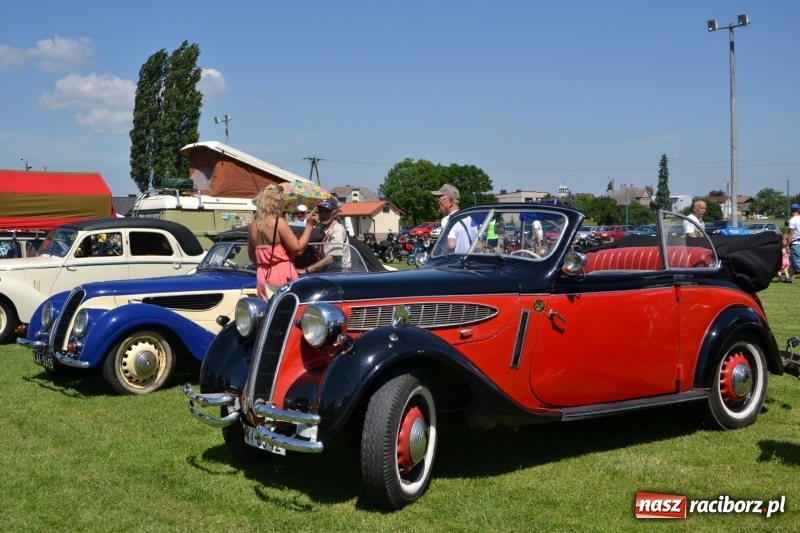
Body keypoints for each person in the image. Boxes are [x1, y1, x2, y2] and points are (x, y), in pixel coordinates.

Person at [248, 184, 319, 299]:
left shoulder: (252, 226)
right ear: (276, 202)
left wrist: (266, 256)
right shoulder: (278, 222)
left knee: (268, 312)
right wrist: (309, 225)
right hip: (281, 274)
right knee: (286, 311)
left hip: (262, 275)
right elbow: (298, 249)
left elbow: (252, 257)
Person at [296, 198, 351, 274]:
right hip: (327, 272)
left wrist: (307, 270)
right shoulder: (324, 228)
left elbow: (331, 258)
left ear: (335, 214)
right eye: (321, 211)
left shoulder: (338, 229)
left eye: (327, 211)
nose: (323, 215)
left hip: (339, 273)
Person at [431, 183, 476, 253]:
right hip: (469, 261)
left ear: (450, 201)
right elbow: (479, 245)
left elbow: (451, 245)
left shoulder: (448, 220)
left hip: (454, 262)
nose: (437, 202)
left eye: (439, 199)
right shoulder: (470, 219)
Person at [785, 203, 800, 283]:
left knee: (797, 262)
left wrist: (787, 245)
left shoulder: (792, 220)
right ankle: (789, 278)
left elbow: (790, 233)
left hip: (796, 243)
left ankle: (789, 278)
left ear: (791, 210)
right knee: (793, 263)